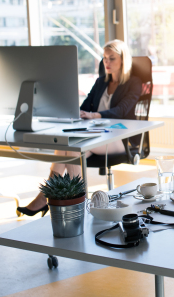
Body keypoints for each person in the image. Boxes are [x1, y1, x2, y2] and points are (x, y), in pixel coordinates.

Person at [17, 40, 142, 216]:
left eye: (111, 58)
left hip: (120, 137)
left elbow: (122, 110)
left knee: (73, 148)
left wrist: (96, 115)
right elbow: (85, 106)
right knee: (67, 147)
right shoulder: (101, 83)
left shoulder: (133, 83)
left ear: (123, 60)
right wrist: (69, 110)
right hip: (96, 134)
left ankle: (50, 198)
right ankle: (75, 200)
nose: (106, 62)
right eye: (104, 58)